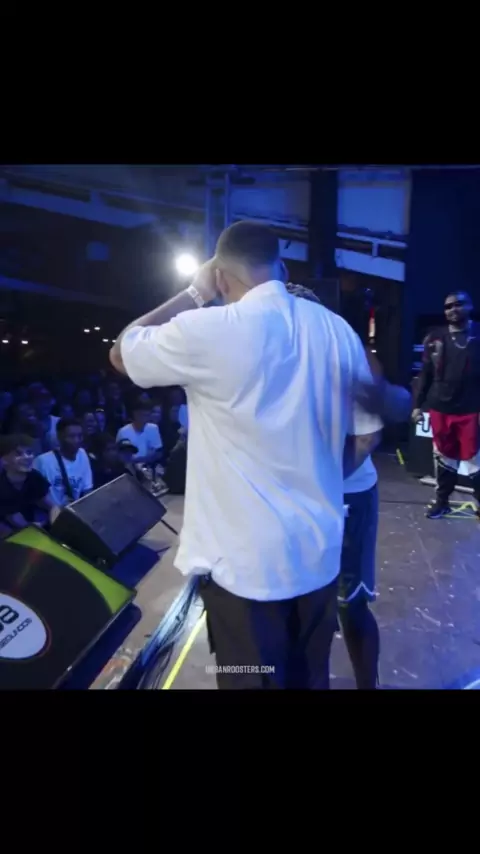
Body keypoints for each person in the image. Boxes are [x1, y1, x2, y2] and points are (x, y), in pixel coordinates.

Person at [109, 220, 382, 690]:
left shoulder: (208, 330)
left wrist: (194, 293)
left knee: (247, 678)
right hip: (317, 553)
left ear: (219, 275)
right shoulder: (335, 330)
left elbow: (121, 353)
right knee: (310, 677)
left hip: (244, 568)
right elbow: (368, 435)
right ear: (282, 267)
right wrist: (323, 480)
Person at [285, 282, 384, 690]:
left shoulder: (347, 351)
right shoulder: (280, 359)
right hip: (300, 498)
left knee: (350, 605)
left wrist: (323, 483)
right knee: (308, 611)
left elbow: (368, 436)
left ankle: (368, 687)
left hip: (347, 495)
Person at [412, 291, 480, 519]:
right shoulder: (434, 338)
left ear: (470, 306)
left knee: (476, 461)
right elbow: (425, 374)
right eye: (448, 307)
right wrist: (418, 405)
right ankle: (442, 502)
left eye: (458, 304)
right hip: (441, 408)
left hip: (472, 410)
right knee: (443, 458)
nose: (453, 310)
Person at [0, 434, 60, 536]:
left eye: (29, 452)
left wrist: (56, 524)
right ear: (4, 460)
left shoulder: (34, 476)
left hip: (30, 526)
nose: (26, 457)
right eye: (18, 454)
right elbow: (17, 521)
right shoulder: (2, 485)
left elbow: (52, 506)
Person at [33, 417, 93, 507]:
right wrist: (55, 510)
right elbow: (35, 495)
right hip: (49, 512)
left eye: (80, 436)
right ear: (59, 437)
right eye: (71, 436)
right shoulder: (42, 461)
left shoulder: (82, 454)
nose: (76, 440)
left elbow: (87, 488)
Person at [116, 400, 163, 465]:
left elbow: (159, 453)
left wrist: (142, 460)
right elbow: (119, 456)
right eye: (142, 415)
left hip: (149, 467)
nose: (145, 418)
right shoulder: (123, 432)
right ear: (135, 414)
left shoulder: (153, 428)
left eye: (147, 415)